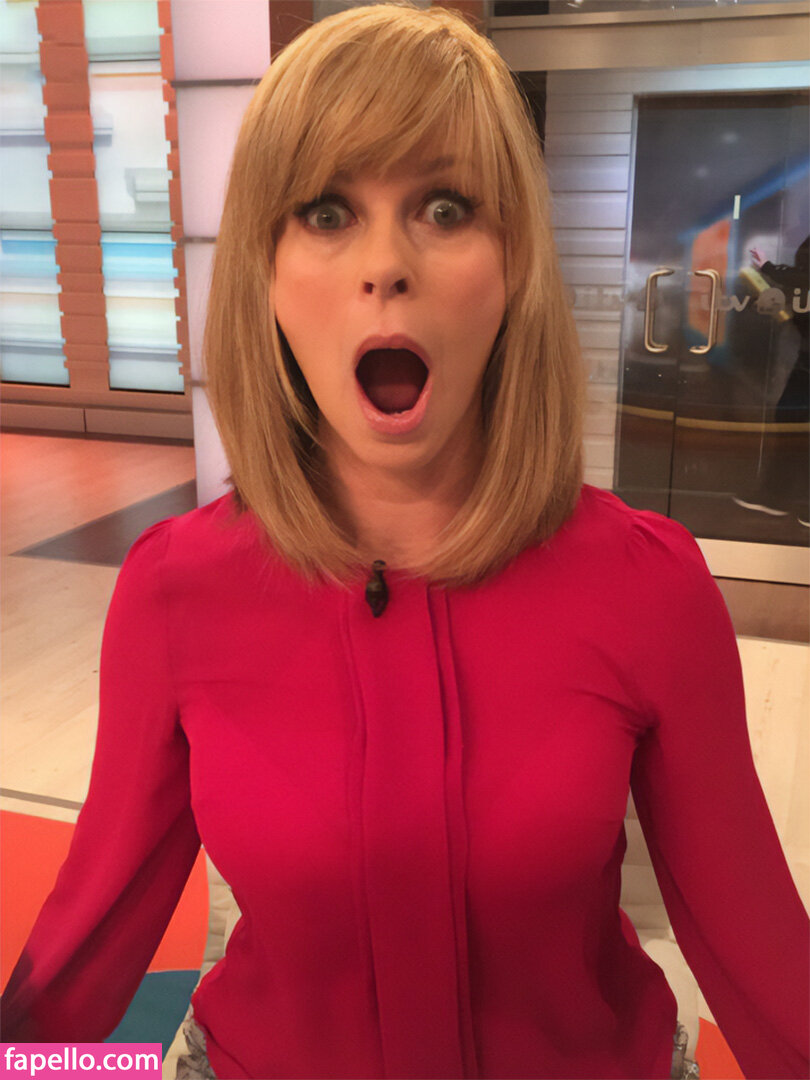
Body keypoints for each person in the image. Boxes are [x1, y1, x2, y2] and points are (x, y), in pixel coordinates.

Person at [2, 5, 809, 1079]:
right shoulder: (172, 592)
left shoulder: (648, 587)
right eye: (327, 211)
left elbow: (764, 962)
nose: (385, 264)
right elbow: (75, 967)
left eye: (444, 207)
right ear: (266, 276)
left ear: (513, 269)